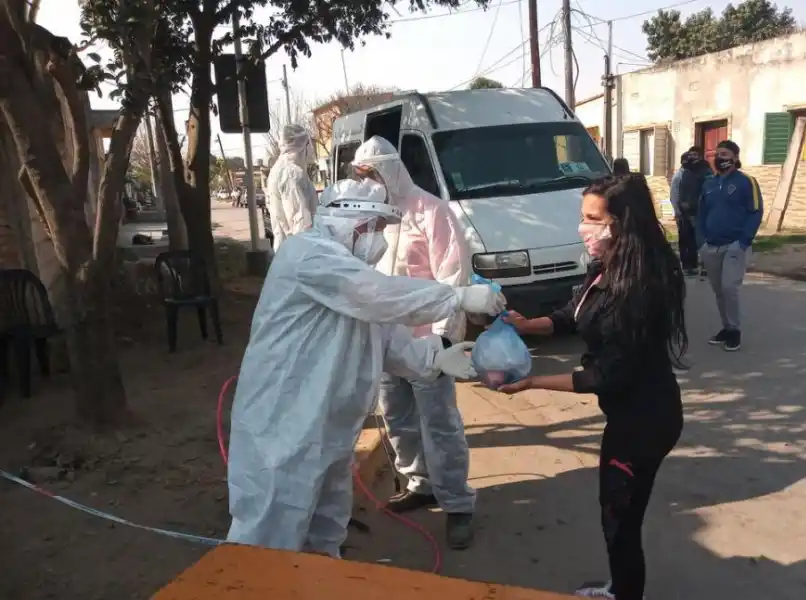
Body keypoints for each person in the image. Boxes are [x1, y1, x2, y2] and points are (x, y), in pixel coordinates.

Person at [225, 178, 507, 557]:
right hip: (283, 425)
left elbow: (385, 334)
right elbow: (378, 295)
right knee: (270, 536)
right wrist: (456, 297)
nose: (379, 239)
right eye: (373, 227)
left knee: (326, 528)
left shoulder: (350, 273)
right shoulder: (307, 254)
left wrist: (433, 358)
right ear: (348, 221)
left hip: (330, 426)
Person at [499, 175, 686, 600]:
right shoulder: (609, 264)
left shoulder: (638, 288)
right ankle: (620, 587)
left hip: (642, 423)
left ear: (621, 223)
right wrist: (530, 324)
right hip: (634, 414)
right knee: (618, 516)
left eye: (592, 218)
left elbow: (604, 376)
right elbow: (574, 312)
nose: (583, 227)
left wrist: (532, 382)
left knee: (620, 522)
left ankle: (623, 593)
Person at [351, 136, 478, 550]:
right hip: (386, 341)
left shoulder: (431, 212)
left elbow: (452, 276)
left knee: (439, 424)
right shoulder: (372, 218)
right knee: (398, 419)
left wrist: (442, 341)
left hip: (426, 341)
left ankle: (458, 504)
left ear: (390, 172)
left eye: (372, 175)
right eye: (360, 177)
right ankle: (420, 483)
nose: (368, 184)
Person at [696, 140, 763, 352]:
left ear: (734, 157)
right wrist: (701, 242)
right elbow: (701, 214)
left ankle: (734, 330)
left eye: (724, 154)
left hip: (734, 245)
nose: (719, 158)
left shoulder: (746, 182)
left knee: (729, 287)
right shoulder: (709, 184)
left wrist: (744, 241)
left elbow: (755, 211)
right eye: (717, 154)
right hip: (711, 246)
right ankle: (725, 327)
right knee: (719, 291)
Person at [265, 123, 319, 252]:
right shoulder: (293, 174)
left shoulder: (278, 169)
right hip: (298, 255)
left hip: (286, 251)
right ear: (303, 146)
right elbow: (300, 221)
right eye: (309, 144)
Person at [673, 147, 713, 275]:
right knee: (688, 240)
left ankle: (706, 266)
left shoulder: (706, 171)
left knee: (702, 240)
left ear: (700, 156)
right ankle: (690, 266)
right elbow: (680, 191)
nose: (692, 158)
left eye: (695, 155)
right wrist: (681, 205)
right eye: (691, 155)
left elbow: (707, 189)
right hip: (686, 213)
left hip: (700, 211)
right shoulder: (686, 172)